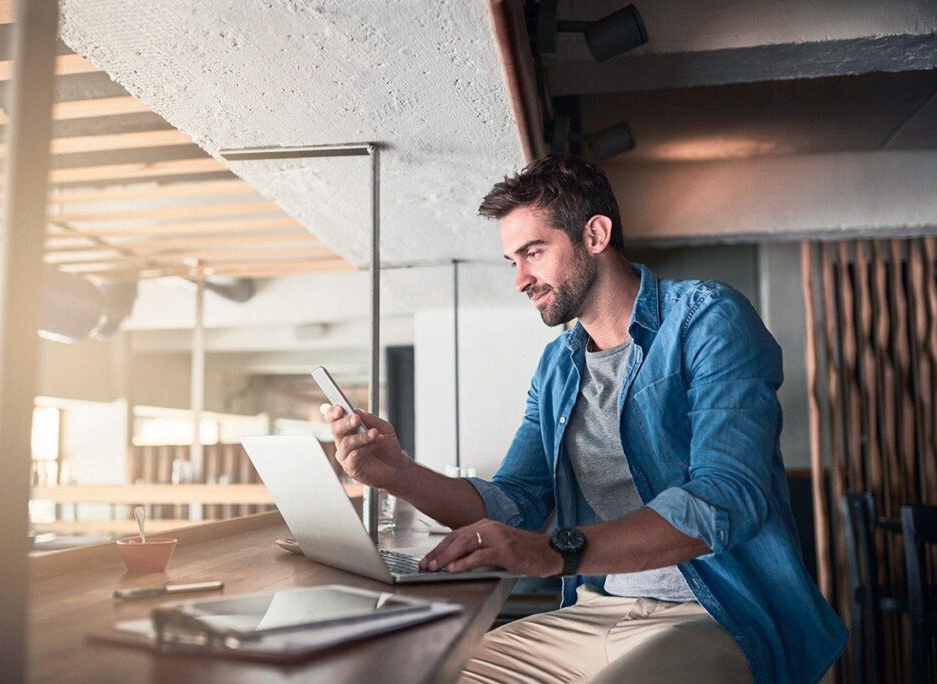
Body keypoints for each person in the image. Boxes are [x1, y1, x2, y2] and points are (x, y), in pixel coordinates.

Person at [325, 155, 847, 683]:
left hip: (716, 614)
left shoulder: (708, 318)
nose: (521, 280)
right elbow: (517, 504)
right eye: (513, 260)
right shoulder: (557, 365)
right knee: (423, 673)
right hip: (593, 611)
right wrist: (399, 475)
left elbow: (728, 495)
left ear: (595, 234)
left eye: (533, 252)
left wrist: (555, 551)